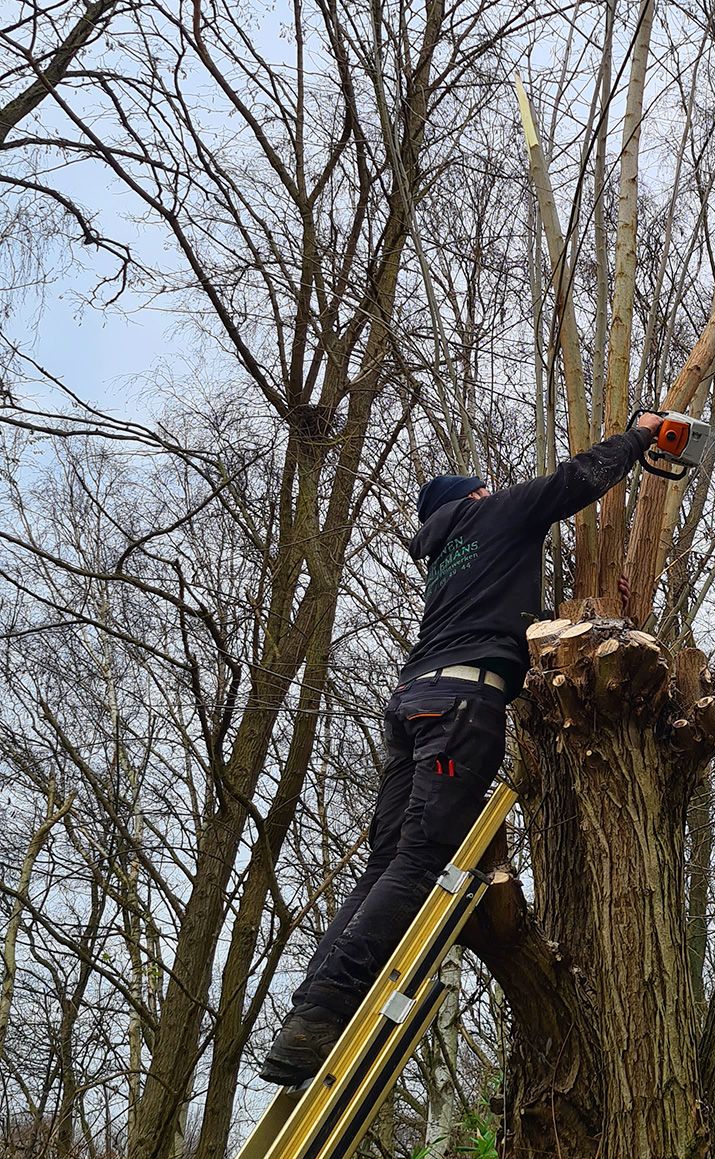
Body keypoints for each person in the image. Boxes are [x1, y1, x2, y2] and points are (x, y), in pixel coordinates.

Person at [259, 415, 660, 1084]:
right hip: (460, 709)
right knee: (419, 864)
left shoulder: (448, 553)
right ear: (475, 495)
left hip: (414, 700)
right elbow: (574, 482)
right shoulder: (494, 514)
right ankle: (324, 1014)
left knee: (386, 861)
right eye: (489, 488)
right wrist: (639, 436)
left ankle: (310, 1011)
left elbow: (504, 616)